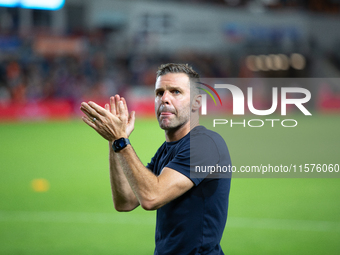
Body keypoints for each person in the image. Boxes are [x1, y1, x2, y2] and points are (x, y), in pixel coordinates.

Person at [80, 63, 232, 255]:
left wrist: (121, 141)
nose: (164, 99)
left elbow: (151, 197)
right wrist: (114, 140)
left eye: (175, 92)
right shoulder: (166, 151)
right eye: (159, 93)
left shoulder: (204, 144)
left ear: (196, 102)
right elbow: (125, 202)